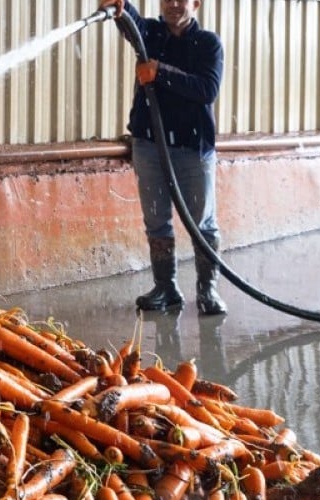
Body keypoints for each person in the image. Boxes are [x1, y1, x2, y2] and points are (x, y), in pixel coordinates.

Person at [99, 0, 227, 315]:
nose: (172, 4)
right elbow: (133, 26)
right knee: (157, 221)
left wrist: (160, 73)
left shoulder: (208, 44)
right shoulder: (152, 34)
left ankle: (207, 290)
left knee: (202, 222)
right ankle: (166, 288)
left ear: (196, 4)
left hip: (192, 148)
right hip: (150, 146)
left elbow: (207, 89)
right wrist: (120, 6)